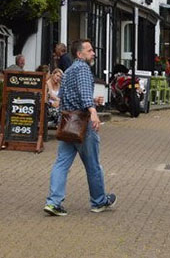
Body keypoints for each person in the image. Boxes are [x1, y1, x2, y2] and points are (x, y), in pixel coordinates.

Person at [43, 40, 117, 216]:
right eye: (90, 50)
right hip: (82, 124)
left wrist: (93, 102)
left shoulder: (68, 72)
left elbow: (62, 97)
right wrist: (93, 112)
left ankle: (53, 202)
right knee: (93, 165)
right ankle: (99, 201)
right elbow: (84, 95)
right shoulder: (83, 69)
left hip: (67, 123)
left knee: (61, 163)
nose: (93, 53)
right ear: (79, 54)